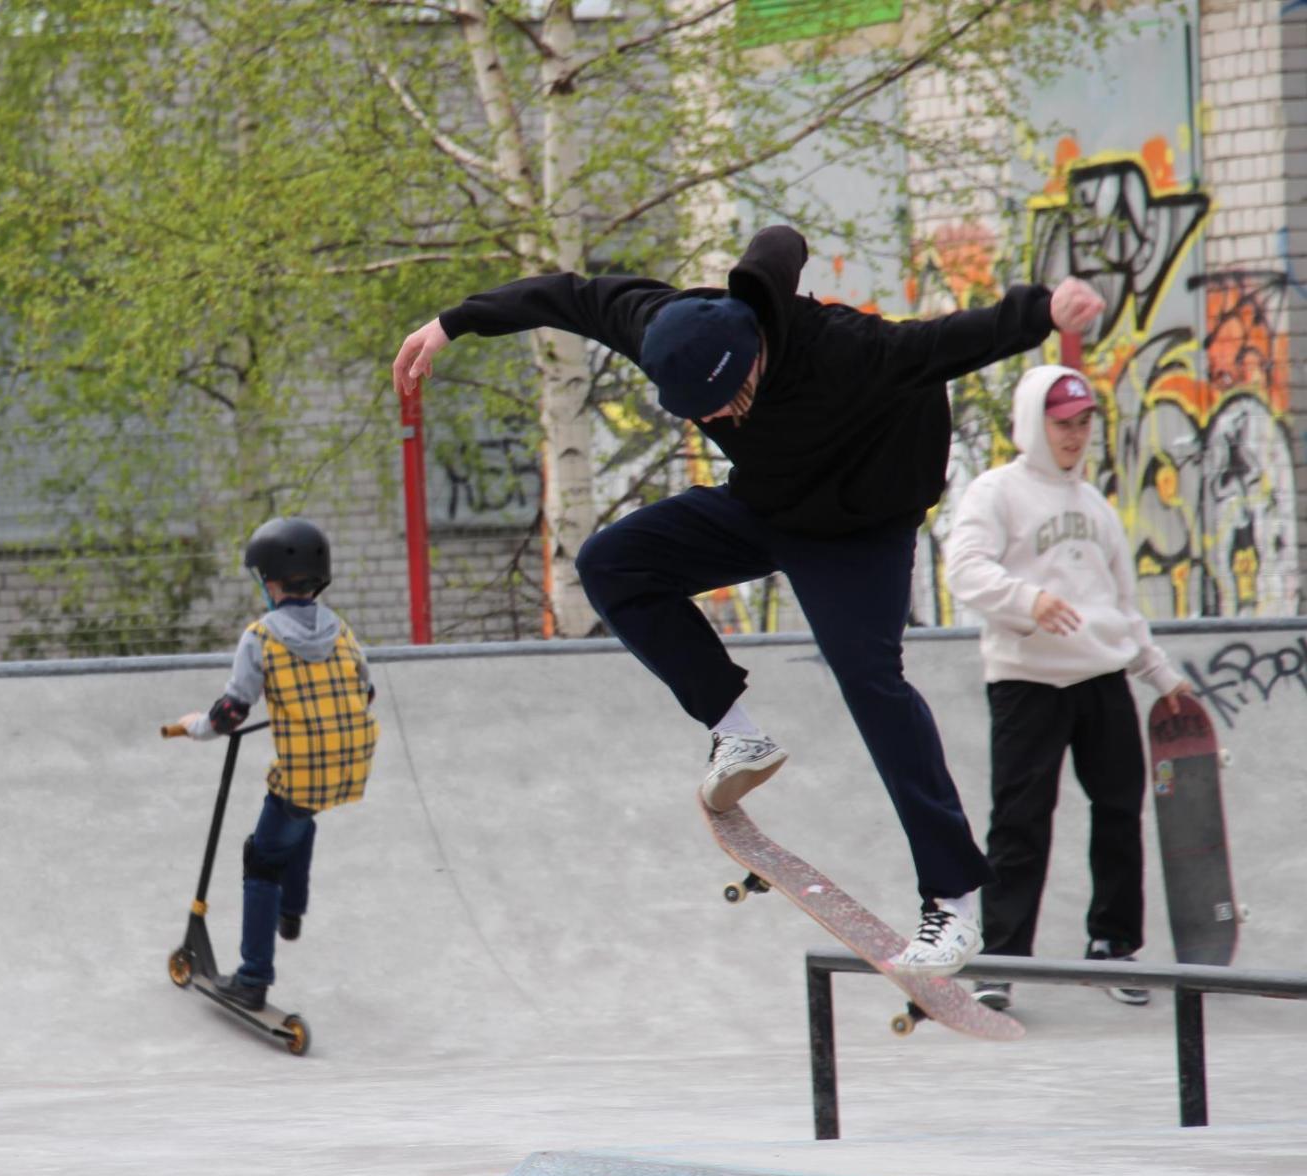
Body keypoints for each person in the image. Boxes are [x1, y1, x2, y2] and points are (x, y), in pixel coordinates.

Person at [392, 225, 1105, 976]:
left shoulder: (848, 350)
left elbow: (951, 340)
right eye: (710, 413)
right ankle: (737, 731)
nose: (727, 417)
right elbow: (563, 296)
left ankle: (953, 900)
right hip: (769, 507)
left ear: (757, 352)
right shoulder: (662, 326)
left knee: (870, 680)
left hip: (862, 528)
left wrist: (1044, 310)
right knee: (612, 564)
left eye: (735, 397)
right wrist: (452, 322)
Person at [944, 366, 1191, 1009]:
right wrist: (1028, 599)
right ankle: (1000, 957)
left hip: (1103, 678)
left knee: (1118, 812)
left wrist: (1160, 676)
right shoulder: (997, 492)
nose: (1075, 436)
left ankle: (1114, 945)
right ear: (1034, 422)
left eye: (1084, 423)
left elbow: (1123, 602)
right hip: (1027, 682)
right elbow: (965, 571)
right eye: (1062, 423)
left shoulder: (1096, 505)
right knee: (1021, 821)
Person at [172, 516, 378, 1009]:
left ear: (269, 581)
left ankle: (253, 977)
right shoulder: (343, 631)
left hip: (304, 772)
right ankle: (293, 910)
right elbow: (364, 692)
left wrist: (193, 725)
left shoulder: (260, 637)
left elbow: (230, 713)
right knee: (300, 816)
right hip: (349, 765)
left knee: (260, 858)